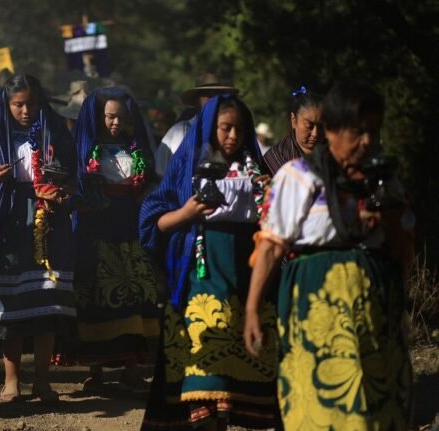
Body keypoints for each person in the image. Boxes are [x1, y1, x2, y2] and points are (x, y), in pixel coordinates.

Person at [244, 80, 414, 429]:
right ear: (333, 131)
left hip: (375, 315)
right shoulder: (297, 177)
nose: (366, 141)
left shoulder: (385, 182)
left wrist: (392, 223)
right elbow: (271, 246)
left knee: (375, 407)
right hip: (315, 310)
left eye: (373, 131)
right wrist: (252, 309)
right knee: (320, 404)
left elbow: (401, 255)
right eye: (357, 131)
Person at [139, 94, 280, 430]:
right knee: (203, 368)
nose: (233, 136)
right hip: (199, 277)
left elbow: (276, 227)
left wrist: (271, 194)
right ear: (208, 128)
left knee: (234, 376)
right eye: (225, 128)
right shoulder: (187, 166)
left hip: (245, 277)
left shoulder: (255, 171)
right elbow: (152, 221)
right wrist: (187, 213)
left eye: (239, 129)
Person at [0, 73, 77, 402]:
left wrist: (63, 190)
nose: (26, 111)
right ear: (7, 104)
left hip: (49, 222)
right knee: (11, 301)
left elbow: (73, 175)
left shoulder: (56, 132)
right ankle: (12, 380)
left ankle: (42, 381)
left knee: (47, 301)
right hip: (7, 221)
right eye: (18, 104)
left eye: (31, 103)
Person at [70, 87, 160, 391]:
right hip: (95, 228)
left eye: (120, 117)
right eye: (109, 117)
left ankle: (132, 369)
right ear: (99, 117)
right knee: (97, 293)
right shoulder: (86, 149)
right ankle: (95, 371)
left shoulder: (135, 148)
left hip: (129, 226)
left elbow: (147, 183)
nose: (115, 123)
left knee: (133, 292)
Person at [154, 73, 238, 176]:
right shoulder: (180, 132)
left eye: (217, 96)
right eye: (208, 96)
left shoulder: (232, 135)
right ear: (196, 101)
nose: (213, 101)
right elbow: (159, 172)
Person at [263, 86, 324, 176]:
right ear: (294, 120)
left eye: (321, 127)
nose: (315, 134)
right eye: (309, 126)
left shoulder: (334, 152)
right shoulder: (277, 156)